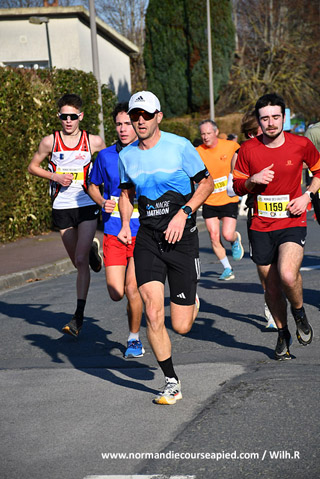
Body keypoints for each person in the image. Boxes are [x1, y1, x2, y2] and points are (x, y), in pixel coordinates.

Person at [117, 91, 213, 404]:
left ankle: (191, 298)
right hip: (148, 239)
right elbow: (126, 195)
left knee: (181, 325)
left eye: (146, 115)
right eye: (135, 116)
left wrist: (183, 213)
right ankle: (171, 380)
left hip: (182, 237)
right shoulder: (126, 156)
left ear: (158, 115)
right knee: (152, 309)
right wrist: (123, 225)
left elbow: (207, 183)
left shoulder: (180, 146)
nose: (140, 121)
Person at [233, 93, 320, 360]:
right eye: (265, 118)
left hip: (292, 220)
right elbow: (237, 187)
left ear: (284, 117)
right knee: (270, 288)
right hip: (260, 224)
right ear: (259, 121)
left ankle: (299, 311)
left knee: (288, 275)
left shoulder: (301, 144)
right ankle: (283, 333)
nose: (271, 123)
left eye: (275, 117)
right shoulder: (248, 150)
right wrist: (253, 180)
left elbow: (318, 172)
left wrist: (307, 196)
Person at [28, 93, 105, 338]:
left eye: (73, 116)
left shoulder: (93, 141)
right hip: (62, 207)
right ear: (59, 117)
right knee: (78, 262)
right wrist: (54, 177)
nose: (68, 121)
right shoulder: (50, 142)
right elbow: (33, 166)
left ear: (80, 116)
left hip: (86, 205)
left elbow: (107, 166)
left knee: (80, 260)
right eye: (64, 117)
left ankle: (77, 317)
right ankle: (93, 251)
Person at [88, 102, 145, 359]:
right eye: (119, 124)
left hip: (142, 232)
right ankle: (97, 255)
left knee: (133, 289)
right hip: (113, 231)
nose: (123, 129)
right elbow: (92, 185)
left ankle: (133, 339)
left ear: (136, 125)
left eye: (127, 124)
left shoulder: (147, 153)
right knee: (115, 292)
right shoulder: (105, 156)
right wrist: (102, 202)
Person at [240, 110, 277, 329]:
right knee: (264, 266)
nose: (252, 139)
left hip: (284, 217)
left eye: (255, 133)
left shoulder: (280, 148)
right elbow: (230, 187)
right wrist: (250, 181)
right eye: (248, 135)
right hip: (256, 214)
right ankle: (270, 302)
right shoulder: (243, 153)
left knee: (284, 269)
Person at [196, 120, 244, 281]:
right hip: (209, 200)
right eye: (202, 134)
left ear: (216, 132)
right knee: (213, 236)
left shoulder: (229, 146)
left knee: (227, 234)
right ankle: (227, 268)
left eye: (208, 133)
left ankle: (235, 239)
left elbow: (242, 155)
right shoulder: (198, 151)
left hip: (228, 198)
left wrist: (237, 175)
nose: (205, 137)